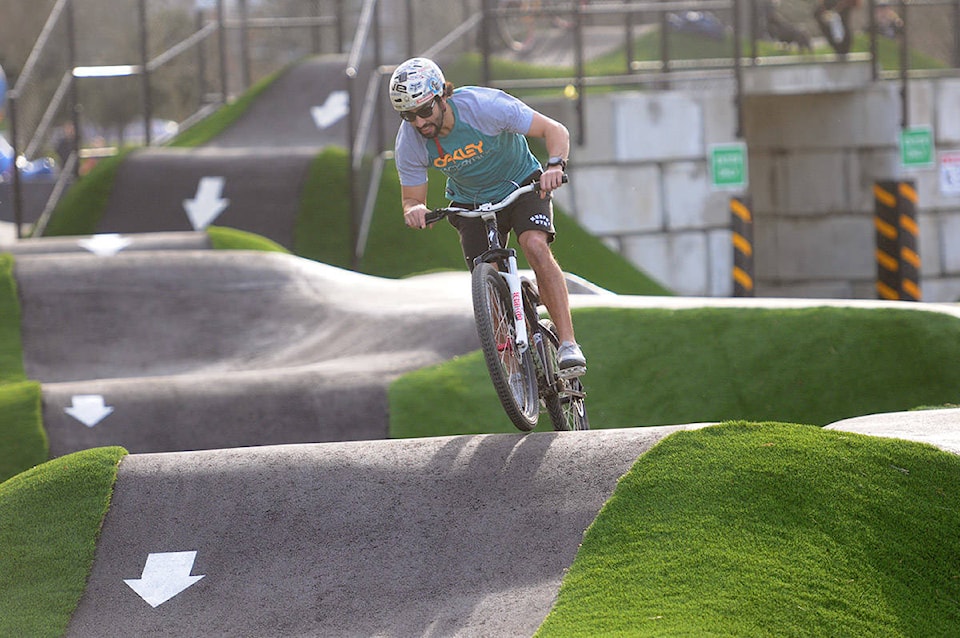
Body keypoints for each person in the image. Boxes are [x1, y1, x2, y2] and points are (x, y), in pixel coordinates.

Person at [389, 57, 586, 376]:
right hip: (470, 202)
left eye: (424, 110)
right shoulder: (410, 141)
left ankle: (567, 344)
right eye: (408, 115)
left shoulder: (485, 107)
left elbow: (554, 130)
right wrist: (414, 211)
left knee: (535, 246)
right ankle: (514, 377)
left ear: (442, 97)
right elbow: (412, 199)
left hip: (520, 184)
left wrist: (554, 166)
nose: (419, 123)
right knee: (487, 280)